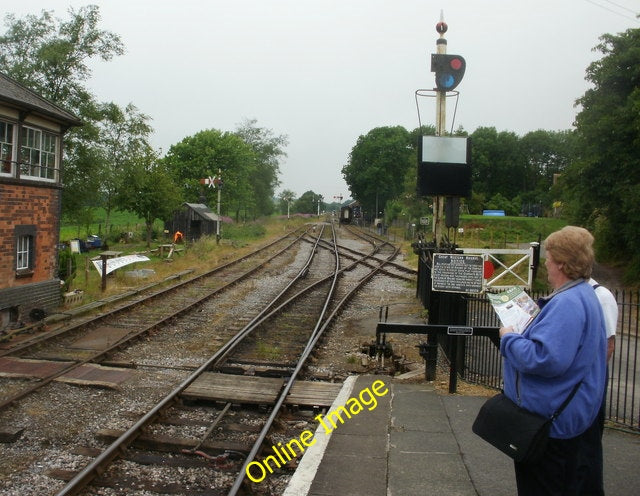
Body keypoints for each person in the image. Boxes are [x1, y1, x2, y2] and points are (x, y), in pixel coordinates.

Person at [499, 226, 607, 495]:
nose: (545, 263)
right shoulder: (583, 295)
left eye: (548, 258)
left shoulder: (567, 304)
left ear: (561, 262)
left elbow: (545, 359)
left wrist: (509, 338)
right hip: (564, 417)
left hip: (549, 425)